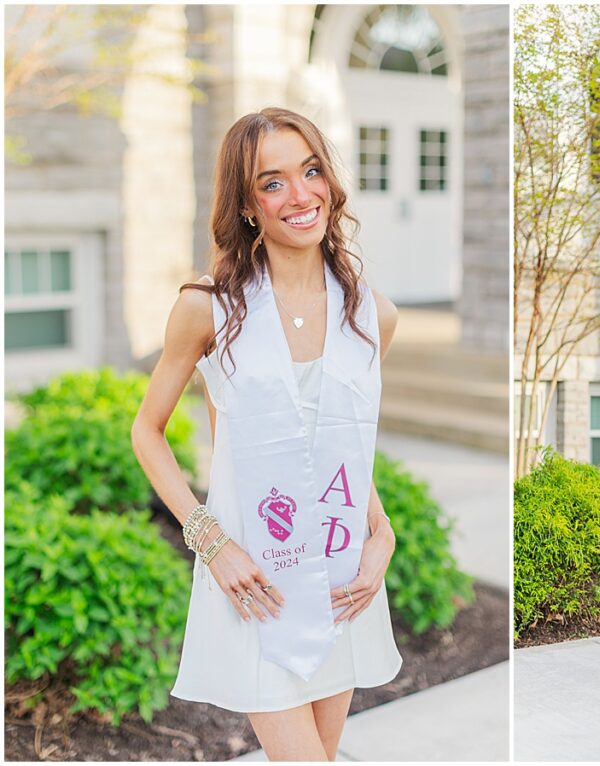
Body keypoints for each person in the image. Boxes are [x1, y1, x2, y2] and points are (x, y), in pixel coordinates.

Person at [132, 107, 402, 760]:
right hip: (256, 582)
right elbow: (147, 432)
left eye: (311, 171)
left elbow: (342, 447)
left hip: (343, 580)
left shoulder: (373, 316)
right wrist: (210, 542)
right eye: (273, 181)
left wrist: (383, 533)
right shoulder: (208, 310)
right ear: (247, 205)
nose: (301, 193)